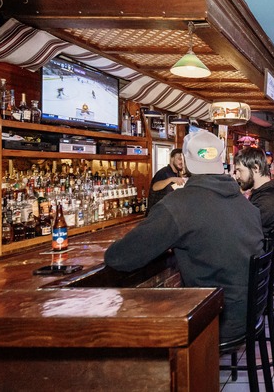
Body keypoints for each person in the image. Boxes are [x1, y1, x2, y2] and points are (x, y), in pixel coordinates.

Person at [104, 129, 263, 344]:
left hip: (216, 317)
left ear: (185, 164)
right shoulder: (244, 202)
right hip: (251, 310)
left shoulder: (179, 205)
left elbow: (120, 258)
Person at [234, 147, 274, 235]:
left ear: (256, 168)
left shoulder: (268, 199)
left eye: (240, 170)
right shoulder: (265, 191)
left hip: (262, 248)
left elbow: (240, 229)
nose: (237, 176)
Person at [146, 148, 185, 214]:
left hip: (168, 212)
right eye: (179, 159)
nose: (181, 162)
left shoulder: (178, 174)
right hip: (156, 213)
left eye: (183, 160)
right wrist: (171, 179)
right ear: (172, 158)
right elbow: (155, 187)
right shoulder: (163, 172)